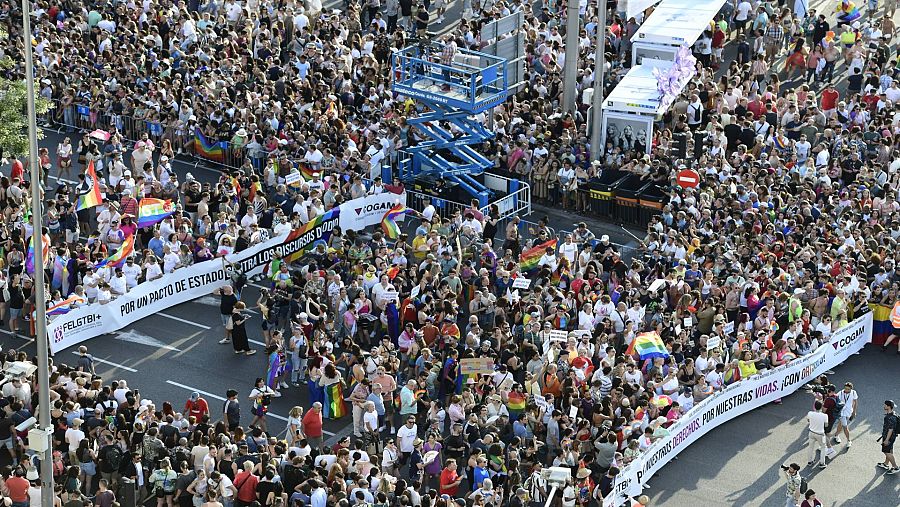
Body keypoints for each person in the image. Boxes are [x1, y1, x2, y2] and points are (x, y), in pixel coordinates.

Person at [832, 382, 858, 447]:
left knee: (841, 424)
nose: (846, 390)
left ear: (851, 389)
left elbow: (855, 402)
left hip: (848, 411)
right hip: (841, 412)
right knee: (845, 426)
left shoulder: (854, 392)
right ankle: (849, 441)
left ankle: (836, 435)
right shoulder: (840, 393)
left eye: (848, 389)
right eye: (845, 388)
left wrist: (854, 412)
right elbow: (835, 400)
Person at [877, 400, 899, 474]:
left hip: (889, 437)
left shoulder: (889, 417)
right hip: (892, 437)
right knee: (889, 450)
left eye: (885, 405)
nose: (884, 406)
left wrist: (886, 439)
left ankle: (895, 467)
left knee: (886, 451)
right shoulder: (893, 414)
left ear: (888, 406)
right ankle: (886, 464)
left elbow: (890, 429)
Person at [806, 400, 828, 469]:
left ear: (814, 406)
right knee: (823, 447)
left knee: (810, 447)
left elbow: (808, 420)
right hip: (821, 434)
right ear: (821, 407)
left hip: (811, 433)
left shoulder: (810, 413)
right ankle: (822, 463)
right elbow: (826, 425)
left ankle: (810, 461)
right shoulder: (824, 415)